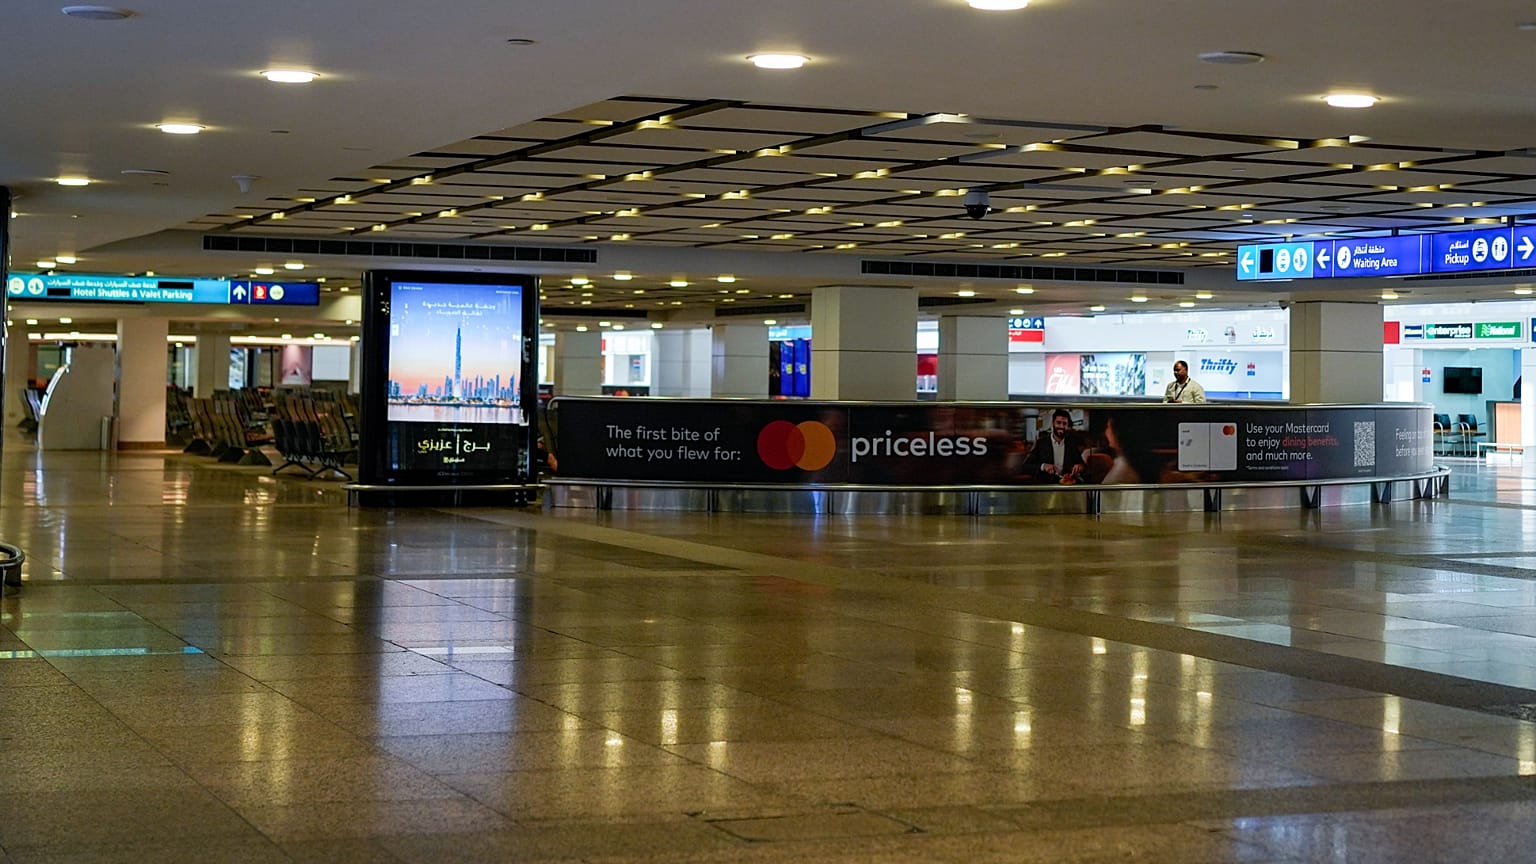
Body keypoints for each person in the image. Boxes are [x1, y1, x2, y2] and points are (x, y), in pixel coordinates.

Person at [1022, 408, 1086, 483]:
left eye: (1064, 424)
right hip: (1047, 485)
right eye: (1058, 423)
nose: (1061, 426)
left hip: (1067, 485)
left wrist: (1080, 467)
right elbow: (1026, 466)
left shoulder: (1071, 443)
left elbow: (1082, 465)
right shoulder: (1041, 443)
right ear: (1053, 423)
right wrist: (1043, 466)